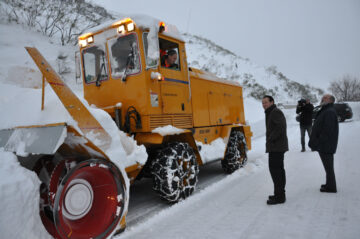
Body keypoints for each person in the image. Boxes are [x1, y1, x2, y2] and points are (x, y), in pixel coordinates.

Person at [308, 94, 339, 193]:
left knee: (329, 167)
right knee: (328, 167)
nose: (322, 99)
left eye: (325, 98)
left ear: (331, 101)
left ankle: (331, 187)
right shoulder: (326, 109)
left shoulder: (329, 111)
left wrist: (318, 141)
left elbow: (327, 130)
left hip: (326, 145)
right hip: (325, 144)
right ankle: (329, 184)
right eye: (323, 97)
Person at [262, 95, 289, 205]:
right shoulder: (271, 112)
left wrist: (271, 138)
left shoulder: (275, 112)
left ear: (272, 102)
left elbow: (281, 127)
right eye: (262, 103)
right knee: (278, 171)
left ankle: (279, 197)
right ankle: (279, 194)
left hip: (276, 147)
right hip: (276, 146)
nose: (264, 105)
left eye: (266, 102)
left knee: (276, 171)